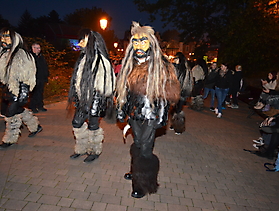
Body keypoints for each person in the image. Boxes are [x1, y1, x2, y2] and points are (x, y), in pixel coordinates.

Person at [116, 22, 180, 198]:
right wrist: (121, 109)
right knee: (137, 145)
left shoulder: (161, 66)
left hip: (151, 115)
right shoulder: (129, 64)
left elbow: (167, 94)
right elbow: (123, 91)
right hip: (134, 114)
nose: (138, 45)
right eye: (135, 41)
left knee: (145, 149)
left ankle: (142, 183)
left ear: (151, 43)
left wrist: (163, 115)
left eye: (143, 41)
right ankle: (135, 171)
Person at [68, 29, 116, 163]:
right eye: (80, 40)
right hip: (83, 101)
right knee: (76, 123)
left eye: (84, 40)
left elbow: (104, 86)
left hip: (95, 101)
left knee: (93, 126)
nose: (80, 43)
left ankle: (94, 150)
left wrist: (95, 106)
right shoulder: (83, 58)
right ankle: (81, 147)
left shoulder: (101, 61)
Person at [0, 28, 43, 149]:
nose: (4, 39)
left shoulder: (21, 55)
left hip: (19, 90)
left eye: (8, 37)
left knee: (10, 114)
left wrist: (23, 94)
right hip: (8, 88)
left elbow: (27, 76)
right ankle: (35, 126)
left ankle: (9, 139)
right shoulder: (2, 54)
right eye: (2, 37)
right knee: (17, 110)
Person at [170, 52, 193, 134]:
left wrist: (186, 92)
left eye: (176, 58)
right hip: (174, 93)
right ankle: (174, 124)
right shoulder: (173, 67)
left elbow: (189, 82)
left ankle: (179, 128)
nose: (174, 60)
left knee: (178, 111)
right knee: (174, 110)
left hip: (181, 92)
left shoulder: (186, 69)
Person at [29, 43, 49, 113]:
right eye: (37, 48)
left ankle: (40, 106)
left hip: (41, 78)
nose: (39, 49)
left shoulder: (41, 57)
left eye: (39, 48)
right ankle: (33, 106)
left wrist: (46, 76)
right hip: (34, 78)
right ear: (33, 48)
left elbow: (44, 67)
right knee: (34, 93)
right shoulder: (30, 57)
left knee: (40, 92)